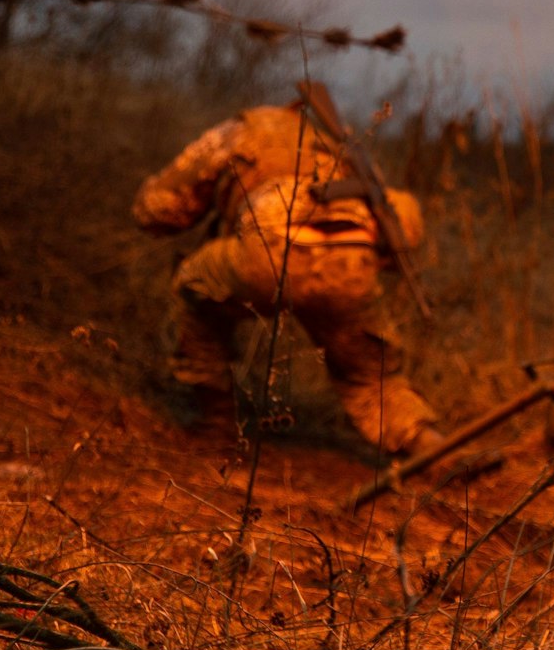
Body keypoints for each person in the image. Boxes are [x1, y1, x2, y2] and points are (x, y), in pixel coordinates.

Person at [133, 100, 440, 459]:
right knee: (372, 375)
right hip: (350, 263)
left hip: (268, 252)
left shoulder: (239, 131)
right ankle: (428, 444)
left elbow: (157, 210)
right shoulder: (338, 144)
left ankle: (215, 424)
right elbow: (396, 230)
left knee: (193, 286)